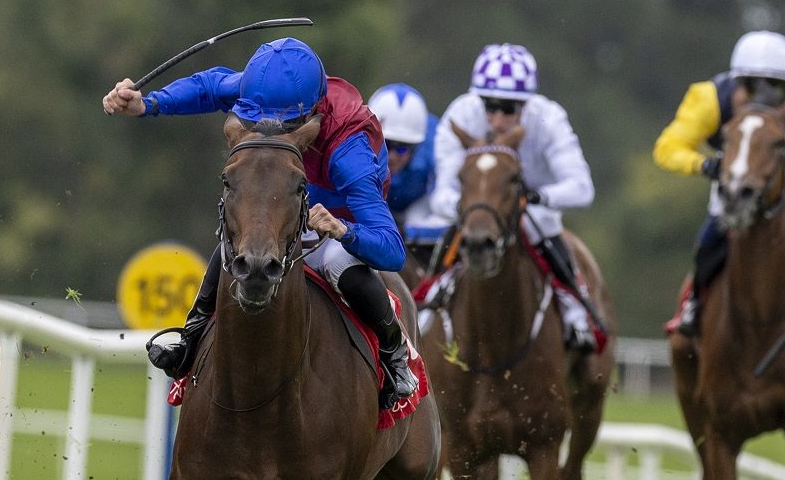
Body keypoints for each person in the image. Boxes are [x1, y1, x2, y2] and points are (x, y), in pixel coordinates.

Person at [101, 37, 418, 409]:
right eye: (255, 120)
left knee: (336, 263)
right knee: (239, 239)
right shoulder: (266, 89)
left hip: (337, 215)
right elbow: (208, 86)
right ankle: (191, 335)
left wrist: (343, 230)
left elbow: (392, 250)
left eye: (282, 126)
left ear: (309, 115)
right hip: (283, 197)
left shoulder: (350, 154)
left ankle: (395, 354)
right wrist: (148, 104)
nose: (266, 131)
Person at [653, 29, 785, 337]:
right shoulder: (708, 97)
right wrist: (704, 164)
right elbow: (667, 148)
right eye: (749, 85)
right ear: (735, 83)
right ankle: (695, 302)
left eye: (774, 86)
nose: (761, 95)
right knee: (708, 241)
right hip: (734, 171)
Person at [429, 43, 602, 350]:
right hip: (480, 209)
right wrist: (471, 207)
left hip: (534, 210)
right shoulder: (461, 114)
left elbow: (582, 188)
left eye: (508, 109)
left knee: (543, 227)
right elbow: (441, 194)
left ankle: (574, 309)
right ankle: (431, 298)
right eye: (489, 107)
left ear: (526, 104)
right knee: (456, 232)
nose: (497, 120)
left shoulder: (549, 119)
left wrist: (537, 197)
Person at [366, 83, 451, 261]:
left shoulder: (437, 144)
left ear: (418, 146)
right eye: (386, 144)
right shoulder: (352, 142)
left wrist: (410, 231)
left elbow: (447, 213)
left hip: (416, 207)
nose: (392, 156)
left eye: (402, 148)